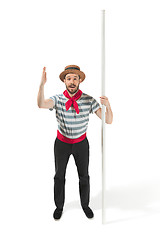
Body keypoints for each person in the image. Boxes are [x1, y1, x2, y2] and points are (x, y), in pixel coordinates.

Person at [37, 65, 113, 220]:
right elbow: (41, 104)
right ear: (64, 81)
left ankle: (85, 205)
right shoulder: (58, 99)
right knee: (59, 176)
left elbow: (109, 120)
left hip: (81, 144)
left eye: (75, 78)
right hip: (62, 144)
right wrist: (41, 85)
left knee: (84, 176)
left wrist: (108, 106)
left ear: (80, 81)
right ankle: (59, 206)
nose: (72, 81)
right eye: (69, 78)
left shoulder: (88, 100)